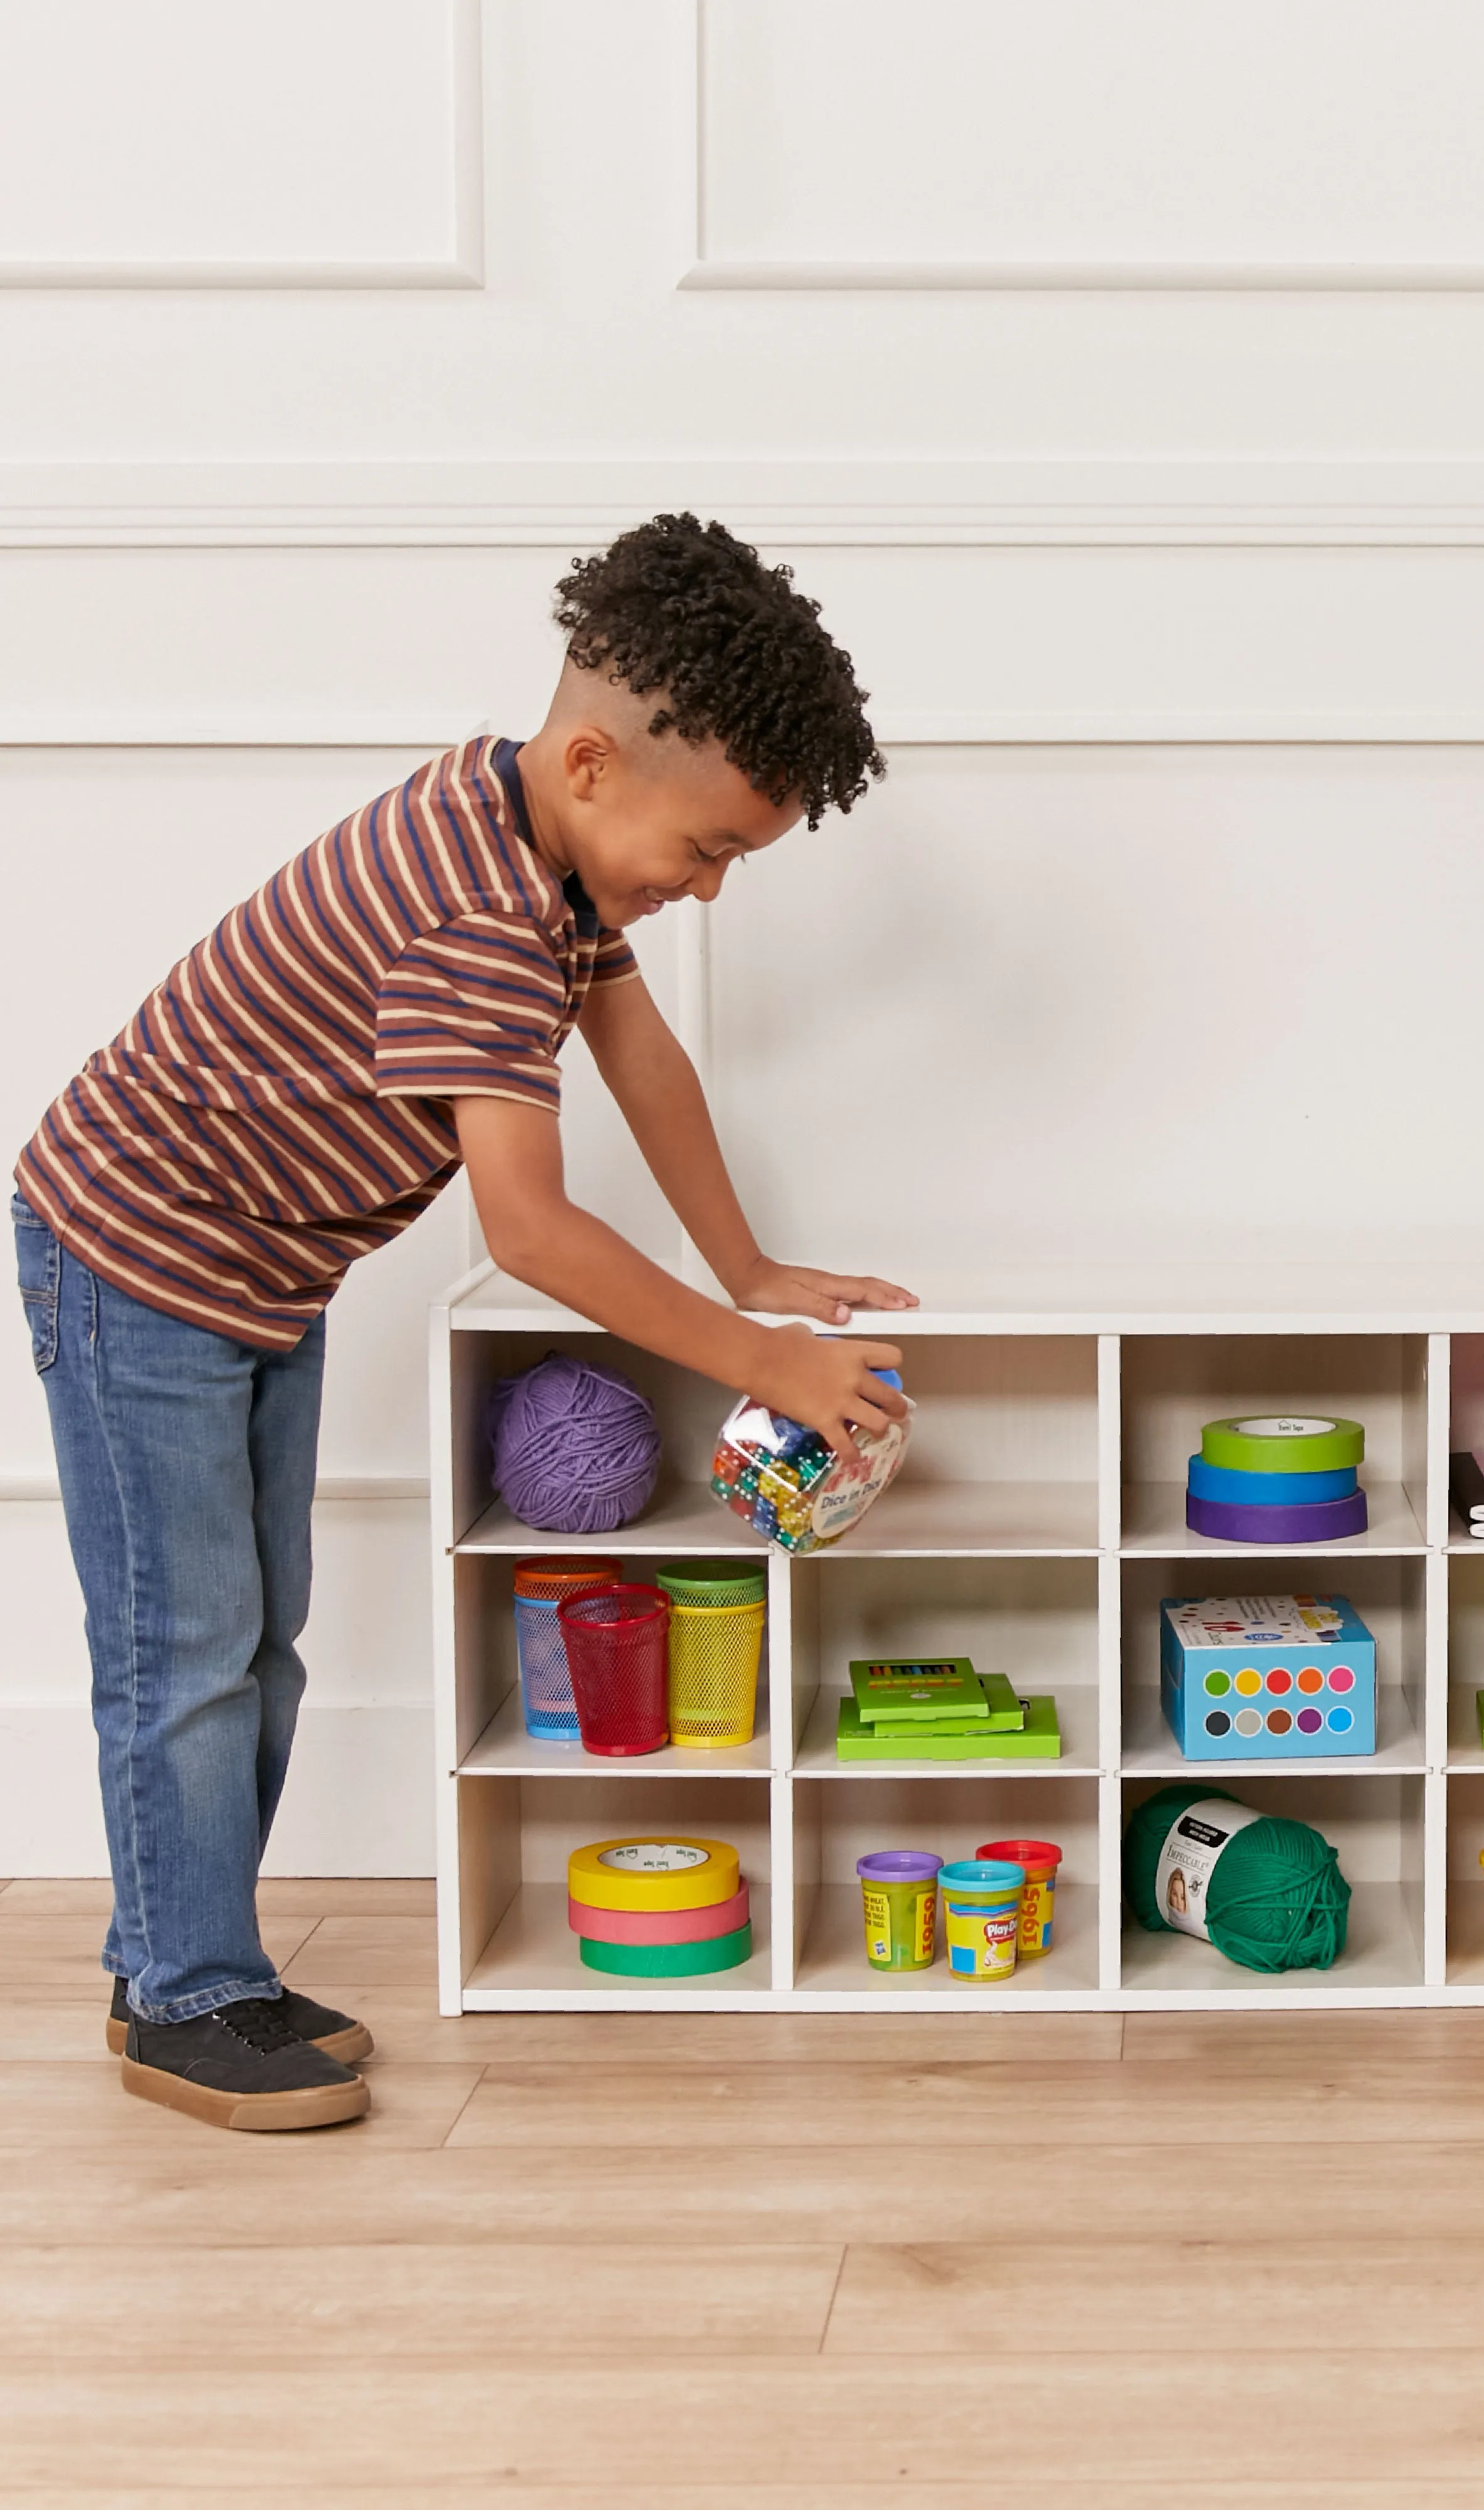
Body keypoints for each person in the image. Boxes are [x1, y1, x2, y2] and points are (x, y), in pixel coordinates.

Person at [11, 514, 913, 2131]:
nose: (702, 890)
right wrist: (764, 1361)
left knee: (256, 1643)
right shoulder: (478, 913)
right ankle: (181, 1997)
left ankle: (189, 1952)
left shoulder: (536, 845)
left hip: (255, 1273)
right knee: (187, 1648)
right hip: (136, 1255)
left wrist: (749, 1264)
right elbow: (534, 1230)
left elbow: (643, 1062)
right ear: (592, 765)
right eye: (707, 850)